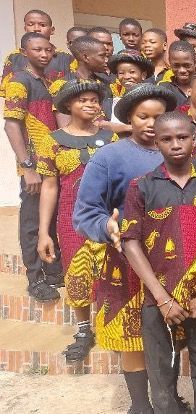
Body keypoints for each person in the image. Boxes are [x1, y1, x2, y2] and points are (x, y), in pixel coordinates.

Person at [72, 83, 178, 414]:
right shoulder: (110, 156)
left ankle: (168, 400)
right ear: (129, 119)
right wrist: (107, 226)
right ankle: (140, 405)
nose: (150, 123)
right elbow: (86, 210)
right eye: (142, 117)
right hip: (125, 263)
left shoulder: (181, 153)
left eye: (158, 117)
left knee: (168, 336)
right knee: (132, 338)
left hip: (174, 262)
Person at [121, 111, 196, 413]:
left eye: (182, 137)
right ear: (156, 143)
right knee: (161, 371)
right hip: (158, 298)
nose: (175, 144)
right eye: (166, 139)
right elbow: (130, 242)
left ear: (195, 137)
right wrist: (161, 298)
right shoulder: (141, 186)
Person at [37, 80, 116, 362]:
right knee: (77, 272)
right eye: (83, 100)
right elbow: (49, 187)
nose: (90, 104)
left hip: (108, 215)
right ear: (68, 105)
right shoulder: (53, 140)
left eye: (95, 100)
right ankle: (84, 329)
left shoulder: (111, 138)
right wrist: (44, 233)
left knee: (113, 270)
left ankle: (113, 323)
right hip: (71, 219)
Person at [3, 32, 64, 302]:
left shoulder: (49, 81)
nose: (43, 54)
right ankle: (35, 278)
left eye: (47, 50)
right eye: (37, 50)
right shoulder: (19, 81)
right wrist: (27, 166)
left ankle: (53, 272)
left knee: (48, 220)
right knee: (31, 222)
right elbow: (12, 125)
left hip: (52, 163)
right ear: (24, 52)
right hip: (34, 167)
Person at [1, 9, 73, 98]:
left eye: (42, 25)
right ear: (25, 28)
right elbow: (9, 93)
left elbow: (72, 92)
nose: (36, 29)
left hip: (58, 110)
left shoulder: (65, 58)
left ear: (52, 30)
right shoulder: (14, 58)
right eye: (30, 25)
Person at [101, 49, 153, 132]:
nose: (126, 77)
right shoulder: (110, 103)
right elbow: (100, 124)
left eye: (132, 72)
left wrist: (120, 128)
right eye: (121, 73)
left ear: (143, 75)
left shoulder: (153, 101)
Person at [158, 40, 196, 106]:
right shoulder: (163, 89)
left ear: (195, 63)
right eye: (176, 66)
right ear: (170, 64)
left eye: (187, 65)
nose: (182, 70)